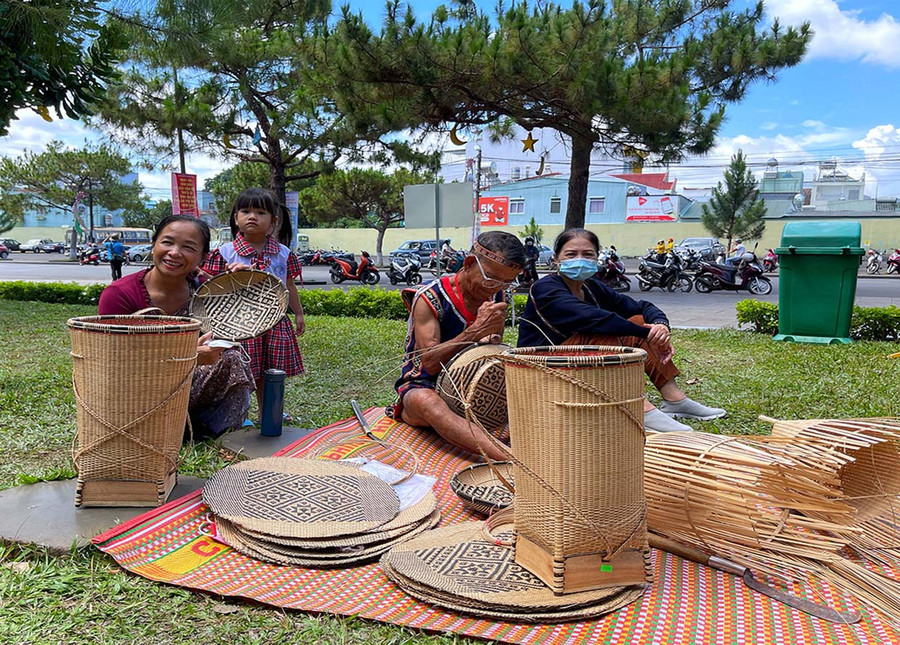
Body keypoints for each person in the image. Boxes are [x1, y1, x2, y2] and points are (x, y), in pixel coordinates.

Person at [517, 228, 726, 433]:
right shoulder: (545, 288)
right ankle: (638, 407)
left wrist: (660, 326)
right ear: (556, 259)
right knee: (603, 334)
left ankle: (675, 400)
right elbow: (592, 319)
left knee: (639, 321)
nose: (579, 260)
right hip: (540, 366)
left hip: (574, 363)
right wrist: (646, 333)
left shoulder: (592, 286)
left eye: (587, 254)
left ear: (596, 258)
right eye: (571, 254)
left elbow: (641, 307)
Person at [98, 215, 254, 439]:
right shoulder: (120, 294)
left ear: (203, 257)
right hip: (135, 387)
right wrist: (189, 357)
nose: (174, 252)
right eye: (167, 242)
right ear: (154, 245)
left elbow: (236, 325)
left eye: (188, 247)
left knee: (231, 357)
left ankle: (206, 427)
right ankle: (154, 426)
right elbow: (113, 358)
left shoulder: (204, 291)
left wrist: (237, 285)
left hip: (185, 385)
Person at [387, 231, 525, 459]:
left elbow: (492, 343)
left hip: (471, 385)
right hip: (424, 385)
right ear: (469, 264)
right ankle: (512, 460)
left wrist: (491, 340)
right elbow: (430, 363)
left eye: (507, 282)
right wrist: (475, 331)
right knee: (427, 403)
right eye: (491, 279)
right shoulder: (429, 297)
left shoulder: (496, 295)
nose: (496, 287)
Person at [202, 188, 306, 420]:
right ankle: (240, 413)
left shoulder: (283, 254)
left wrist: (298, 313)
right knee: (240, 370)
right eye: (245, 211)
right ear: (235, 218)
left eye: (260, 212)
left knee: (271, 372)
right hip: (237, 325)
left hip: (275, 322)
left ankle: (269, 412)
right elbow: (209, 289)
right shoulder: (224, 253)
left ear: (273, 221)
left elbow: (289, 285)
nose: (252, 217)